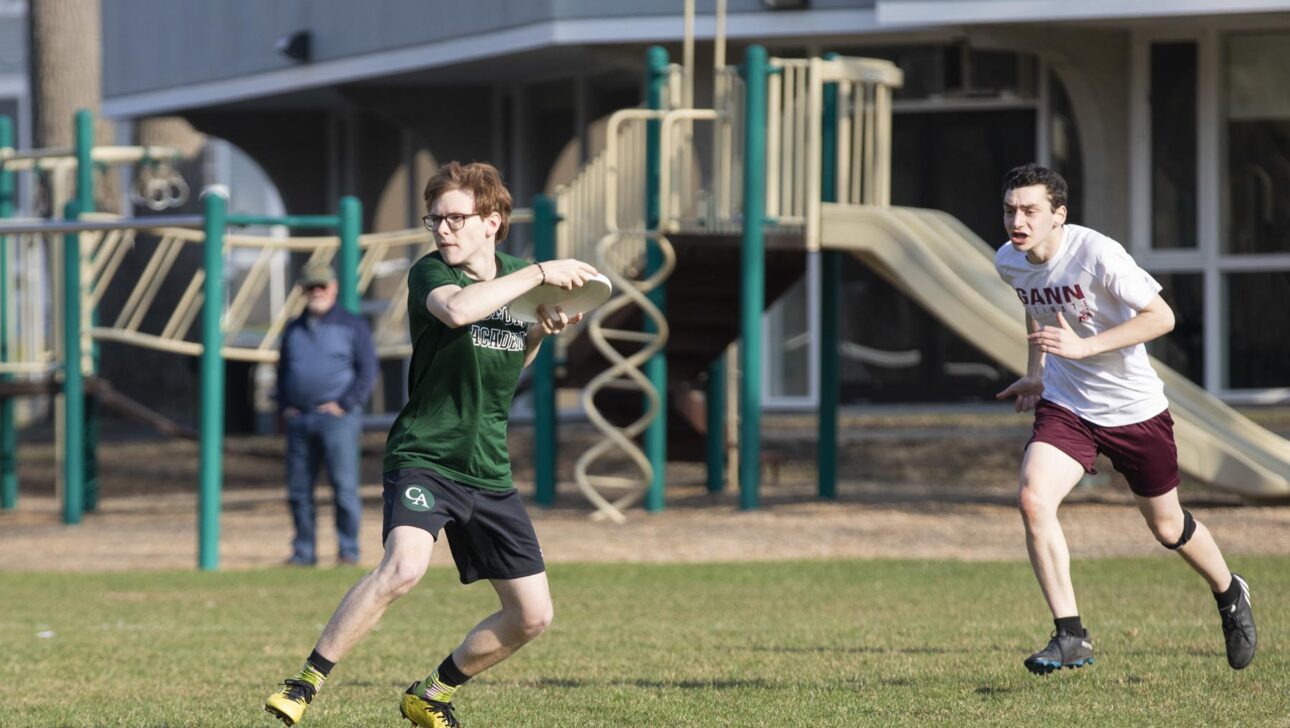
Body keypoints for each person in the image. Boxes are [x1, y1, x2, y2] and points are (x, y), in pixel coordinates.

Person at [265, 161, 599, 727]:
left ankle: (432, 693)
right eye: (435, 219)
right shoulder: (432, 275)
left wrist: (539, 332)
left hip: (488, 467)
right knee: (403, 569)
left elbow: (508, 363)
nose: (442, 230)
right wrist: (543, 270)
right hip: (425, 455)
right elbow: (461, 311)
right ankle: (304, 682)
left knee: (532, 616)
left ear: (492, 222)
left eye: (455, 218)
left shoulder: (516, 276)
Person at [993, 163, 1256, 675]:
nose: (1016, 221)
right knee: (1032, 498)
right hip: (1068, 405)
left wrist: (1085, 347)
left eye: (1029, 210)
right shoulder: (1010, 260)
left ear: (1059, 215)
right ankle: (1071, 636)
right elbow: (1036, 305)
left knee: (1166, 526)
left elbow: (1162, 317)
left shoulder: (1097, 253)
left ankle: (1228, 591)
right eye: (1009, 210)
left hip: (1135, 410)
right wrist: (1036, 371)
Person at [276, 259, 378, 567]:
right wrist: (285, 407)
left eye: (321, 286)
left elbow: (368, 372)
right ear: (302, 291)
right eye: (310, 287)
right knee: (298, 492)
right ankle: (303, 552)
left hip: (338, 420)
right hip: (300, 418)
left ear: (333, 288)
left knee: (344, 489)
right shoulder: (292, 328)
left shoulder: (352, 325)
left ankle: (348, 551)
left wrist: (344, 404)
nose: (316, 292)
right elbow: (281, 372)